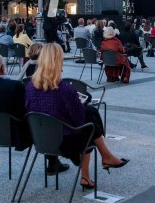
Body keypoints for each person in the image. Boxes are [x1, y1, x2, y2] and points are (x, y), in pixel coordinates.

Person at [25, 44, 128, 190]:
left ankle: (103, 161)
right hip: (65, 142)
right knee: (91, 124)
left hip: (41, 140)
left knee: (90, 114)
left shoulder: (30, 87)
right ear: (58, 61)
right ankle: (96, 166)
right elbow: (78, 121)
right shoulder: (65, 89)